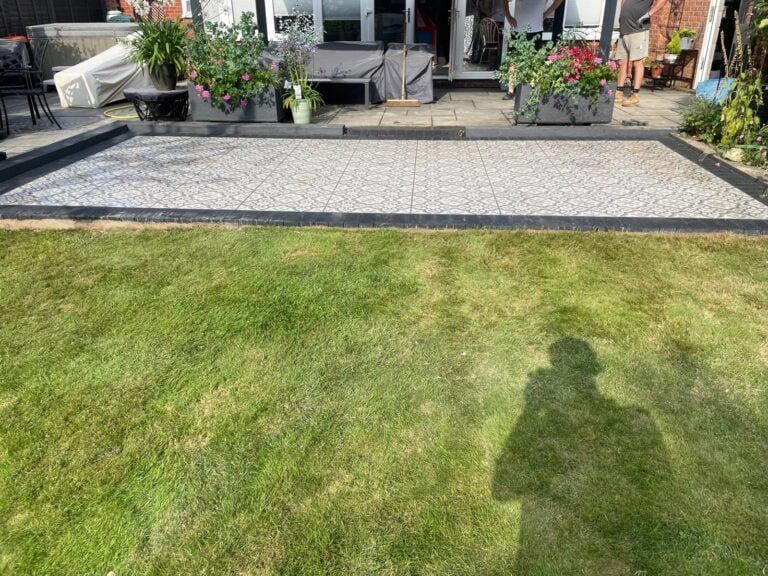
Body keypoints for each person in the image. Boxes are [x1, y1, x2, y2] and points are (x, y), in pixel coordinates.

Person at [501, 0, 565, 100]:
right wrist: (508, 17)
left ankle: (531, 89)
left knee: (535, 61)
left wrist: (546, 14)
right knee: (514, 61)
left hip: (536, 30)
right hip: (518, 29)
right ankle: (511, 89)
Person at [616, 0, 670, 107]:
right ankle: (619, 92)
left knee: (637, 61)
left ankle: (635, 94)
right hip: (625, 29)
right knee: (622, 61)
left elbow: (662, 1)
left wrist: (649, 13)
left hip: (638, 29)